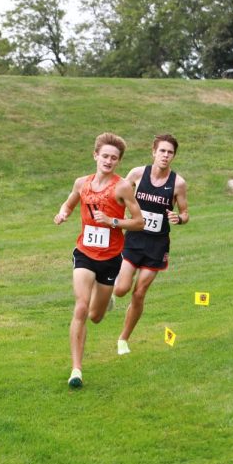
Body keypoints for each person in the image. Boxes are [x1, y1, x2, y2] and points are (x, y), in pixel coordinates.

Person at [54, 133, 145, 388]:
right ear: (95, 155)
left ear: (119, 162)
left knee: (95, 315)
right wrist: (62, 213)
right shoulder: (82, 183)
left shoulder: (122, 187)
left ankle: (106, 303)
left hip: (110, 259)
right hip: (84, 253)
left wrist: (113, 221)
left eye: (114, 158)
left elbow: (139, 222)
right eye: (105, 156)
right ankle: (76, 370)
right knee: (81, 306)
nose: (108, 161)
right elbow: (70, 203)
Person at [113, 134, 189, 355]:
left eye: (170, 152)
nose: (165, 156)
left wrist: (179, 218)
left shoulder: (178, 183)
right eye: (162, 151)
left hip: (157, 245)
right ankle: (109, 291)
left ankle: (123, 339)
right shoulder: (138, 174)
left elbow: (185, 212)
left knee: (139, 293)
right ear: (153, 152)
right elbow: (118, 195)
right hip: (134, 239)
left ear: (174, 156)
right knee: (121, 290)